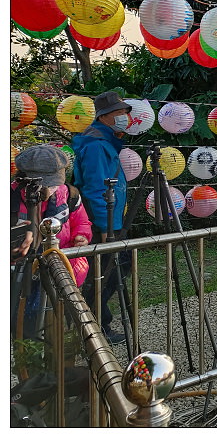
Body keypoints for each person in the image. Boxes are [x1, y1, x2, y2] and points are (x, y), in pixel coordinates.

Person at [12, 146, 92, 339]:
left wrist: (82, 236)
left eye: (54, 184)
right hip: (19, 273)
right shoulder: (10, 197)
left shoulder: (69, 195)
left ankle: (53, 348)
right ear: (24, 179)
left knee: (56, 325)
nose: (49, 190)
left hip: (59, 269)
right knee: (21, 323)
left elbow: (82, 222)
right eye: (43, 185)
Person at [72, 91, 132, 345]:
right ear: (104, 116)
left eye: (125, 112)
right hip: (103, 221)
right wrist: (106, 227)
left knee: (111, 269)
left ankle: (95, 322)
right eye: (119, 113)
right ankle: (95, 325)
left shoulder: (104, 140)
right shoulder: (96, 145)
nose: (124, 117)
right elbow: (96, 188)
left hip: (110, 219)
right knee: (105, 273)